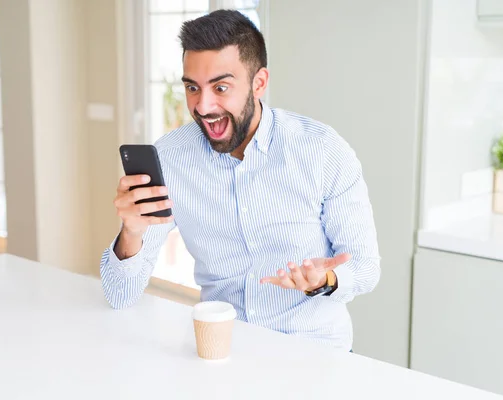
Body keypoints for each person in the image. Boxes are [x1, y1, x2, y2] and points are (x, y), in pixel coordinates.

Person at [100, 9, 380, 352]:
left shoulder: (322, 150)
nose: (203, 106)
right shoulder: (170, 159)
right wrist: (131, 233)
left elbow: (365, 268)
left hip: (315, 352)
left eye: (221, 87)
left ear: (259, 83)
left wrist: (325, 280)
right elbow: (119, 294)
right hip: (222, 351)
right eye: (192, 87)